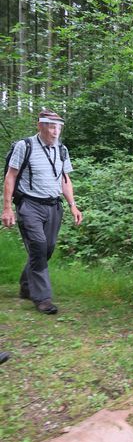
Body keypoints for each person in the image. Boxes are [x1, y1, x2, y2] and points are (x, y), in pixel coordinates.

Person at [2, 110, 83, 315]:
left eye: (58, 127)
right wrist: (7, 208)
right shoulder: (25, 146)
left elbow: (65, 180)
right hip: (30, 205)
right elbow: (11, 177)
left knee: (46, 249)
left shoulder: (61, 150)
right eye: (51, 127)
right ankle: (43, 298)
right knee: (38, 246)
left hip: (54, 206)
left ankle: (26, 285)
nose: (55, 132)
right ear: (40, 126)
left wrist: (73, 204)